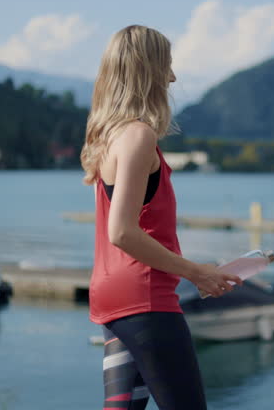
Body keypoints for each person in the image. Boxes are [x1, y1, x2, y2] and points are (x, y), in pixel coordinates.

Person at [80, 25, 242, 409]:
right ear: (148, 72)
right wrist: (196, 271)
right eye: (167, 66)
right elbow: (121, 231)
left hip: (112, 297)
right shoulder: (138, 137)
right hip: (145, 300)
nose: (173, 77)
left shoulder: (108, 139)